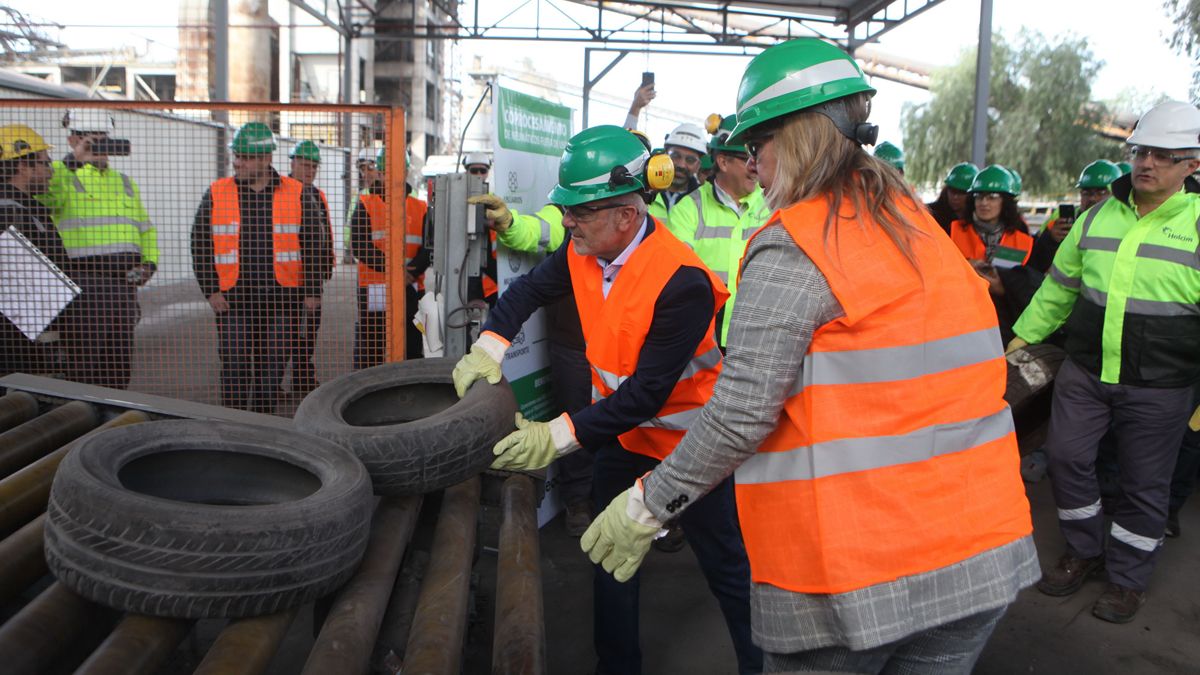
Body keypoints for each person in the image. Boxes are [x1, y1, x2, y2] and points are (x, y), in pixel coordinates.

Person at [581, 38, 1038, 674]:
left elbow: (741, 413)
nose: (753, 166)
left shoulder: (796, 243)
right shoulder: (916, 224)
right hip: (981, 549)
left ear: (794, 138)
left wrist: (646, 505)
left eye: (756, 146)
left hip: (860, 573)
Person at [452, 125, 760, 675]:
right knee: (608, 554)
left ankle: (761, 664)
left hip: (689, 450)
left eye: (580, 212)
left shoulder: (682, 282)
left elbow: (646, 393)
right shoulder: (582, 251)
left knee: (727, 569)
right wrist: (489, 347)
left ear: (626, 215)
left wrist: (557, 436)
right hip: (621, 439)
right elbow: (527, 292)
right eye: (566, 211)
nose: (567, 222)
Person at [1009, 100, 1200, 623]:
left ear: (1192, 164)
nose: (1146, 163)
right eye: (1141, 151)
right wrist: (1021, 341)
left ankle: (1128, 580)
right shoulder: (1096, 218)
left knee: (1144, 484)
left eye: (1162, 155)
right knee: (1066, 459)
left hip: (1161, 384)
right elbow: (1058, 289)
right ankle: (1084, 549)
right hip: (1086, 373)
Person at [191, 122, 330, 413]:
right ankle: (233, 426)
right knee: (235, 372)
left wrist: (312, 291)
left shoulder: (296, 193)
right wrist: (211, 290)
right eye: (236, 156)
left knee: (271, 375)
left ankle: (262, 425)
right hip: (233, 301)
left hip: (283, 301)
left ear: (266, 158)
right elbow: (200, 244)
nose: (237, 163)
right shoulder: (217, 192)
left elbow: (313, 245)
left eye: (245, 157)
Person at [41, 109, 157, 390]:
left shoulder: (124, 181)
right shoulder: (59, 174)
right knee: (84, 365)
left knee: (118, 364)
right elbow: (45, 201)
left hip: (124, 285)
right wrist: (74, 161)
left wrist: (149, 263)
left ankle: (112, 411)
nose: (99, 145)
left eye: (103, 138)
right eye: (90, 139)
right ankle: (78, 411)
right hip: (84, 285)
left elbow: (145, 229)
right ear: (73, 140)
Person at [668, 114, 768, 348]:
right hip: (702, 337)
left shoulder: (773, 206)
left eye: (758, 157)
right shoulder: (689, 208)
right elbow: (678, 275)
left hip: (755, 335)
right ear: (722, 162)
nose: (755, 167)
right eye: (747, 158)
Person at [0, 124, 71, 377]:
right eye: (45, 163)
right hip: (17, 346)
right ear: (23, 166)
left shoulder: (26, 208)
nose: (51, 171)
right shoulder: (12, 211)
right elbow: (26, 289)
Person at [350, 149, 428, 366]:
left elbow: (428, 248)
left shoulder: (420, 207)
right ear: (379, 173)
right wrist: (397, 272)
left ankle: (410, 384)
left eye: (398, 172)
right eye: (386, 172)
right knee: (371, 348)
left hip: (411, 287)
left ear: (406, 172)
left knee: (411, 345)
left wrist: (410, 273)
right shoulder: (366, 203)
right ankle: (368, 385)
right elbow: (360, 246)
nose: (392, 177)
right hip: (376, 287)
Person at [284, 140, 335, 394]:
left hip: (311, 279)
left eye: (314, 167)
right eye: (305, 165)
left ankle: (302, 378)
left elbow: (321, 237)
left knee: (307, 332)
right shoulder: (280, 194)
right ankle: (273, 382)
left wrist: (324, 268)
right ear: (292, 163)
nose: (310, 171)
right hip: (286, 279)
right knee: (284, 334)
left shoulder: (317, 195)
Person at [1028, 159, 1123, 274]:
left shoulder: (1128, 224)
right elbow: (1035, 266)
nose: (1092, 198)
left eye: (1101, 192)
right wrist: (1050, 240)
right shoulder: (1063, 221)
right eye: (1086, 193)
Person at [648, 123, 707, 222]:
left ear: (698, 166)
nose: (681, 165)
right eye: (675, 156)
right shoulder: (645, 191)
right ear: (665, 155)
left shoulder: (703, 202)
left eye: (690, 160)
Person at [926, 162, 978, 233]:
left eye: (962, 192)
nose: (955, 197)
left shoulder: (981, 220)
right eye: (952, 191)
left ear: (973, 194)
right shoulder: (930, 213)